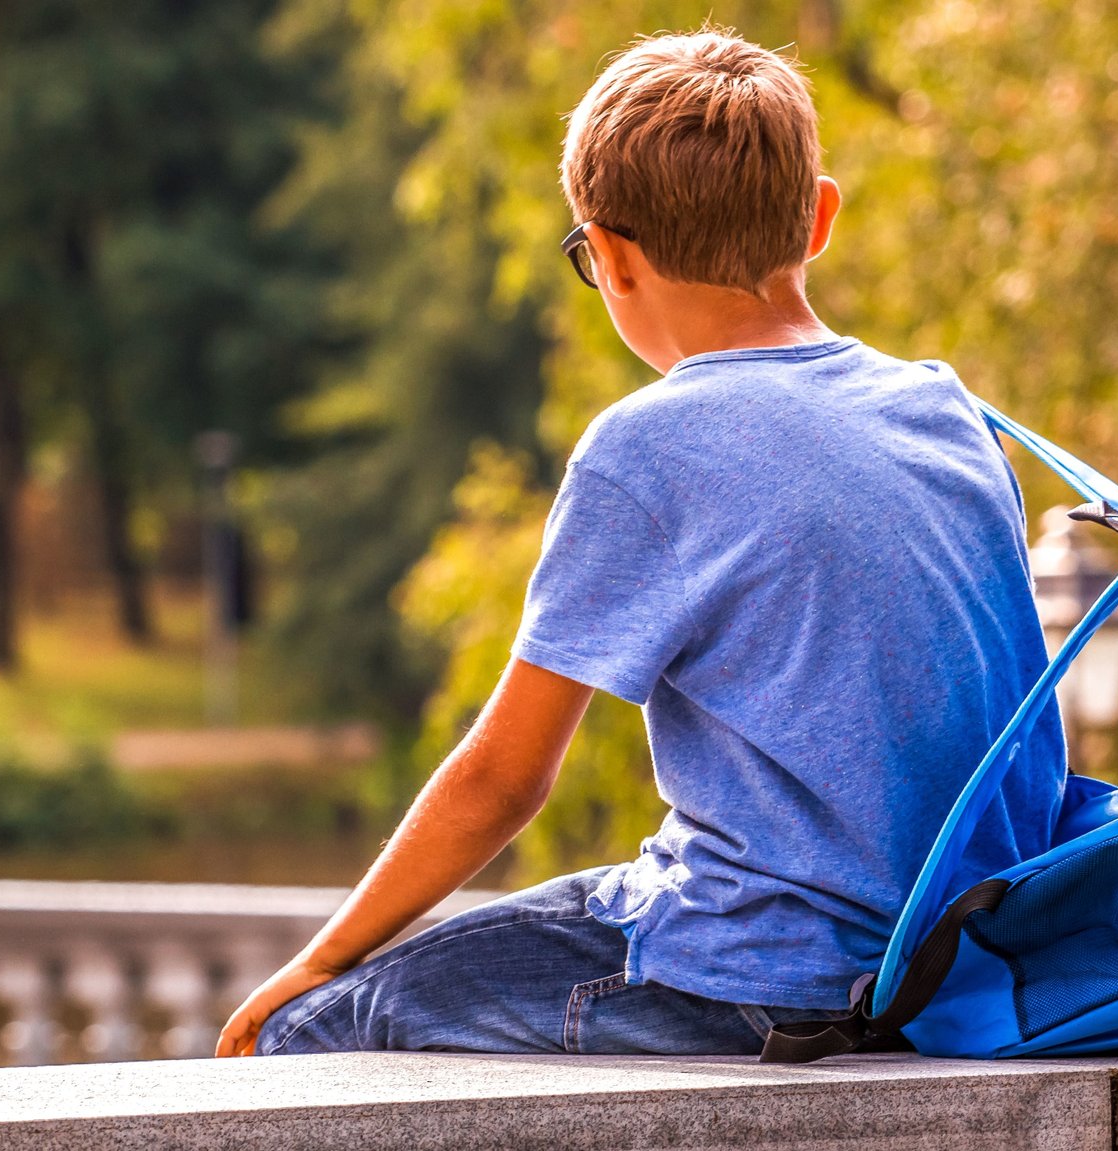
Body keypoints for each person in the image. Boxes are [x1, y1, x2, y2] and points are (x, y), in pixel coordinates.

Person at [216, 26, 1066, 1058]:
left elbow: (505, 778)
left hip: (755, 971)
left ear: (609, 255)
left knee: (311, 1033)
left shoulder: (646, 446)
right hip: (952, 963)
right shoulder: (945, 410)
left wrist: (316, 959)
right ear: (820, 217)